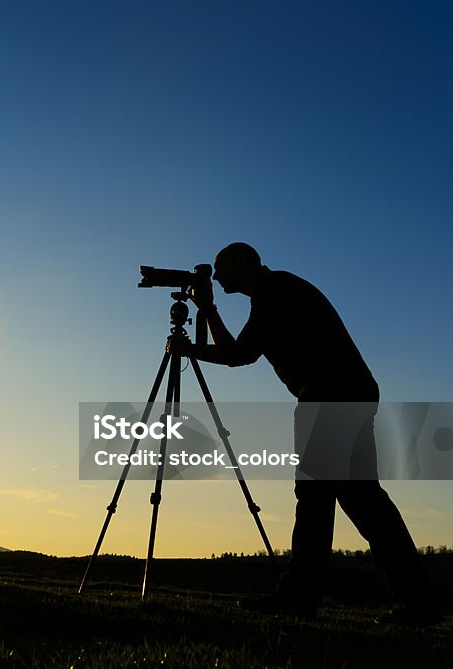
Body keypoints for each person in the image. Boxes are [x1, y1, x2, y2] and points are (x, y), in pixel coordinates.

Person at [168, 242, 438, 624]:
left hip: (330, 396)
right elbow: (239, 351)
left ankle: (299, 598)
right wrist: (207, 312)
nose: (219, 275)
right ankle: (416, 600)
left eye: (223, 266)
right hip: (349, 392)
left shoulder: (273, 292)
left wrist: (200, 325)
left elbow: (238, 354)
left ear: (249, 261)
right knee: (364, 502)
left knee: (317, 498)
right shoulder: (276, 290)